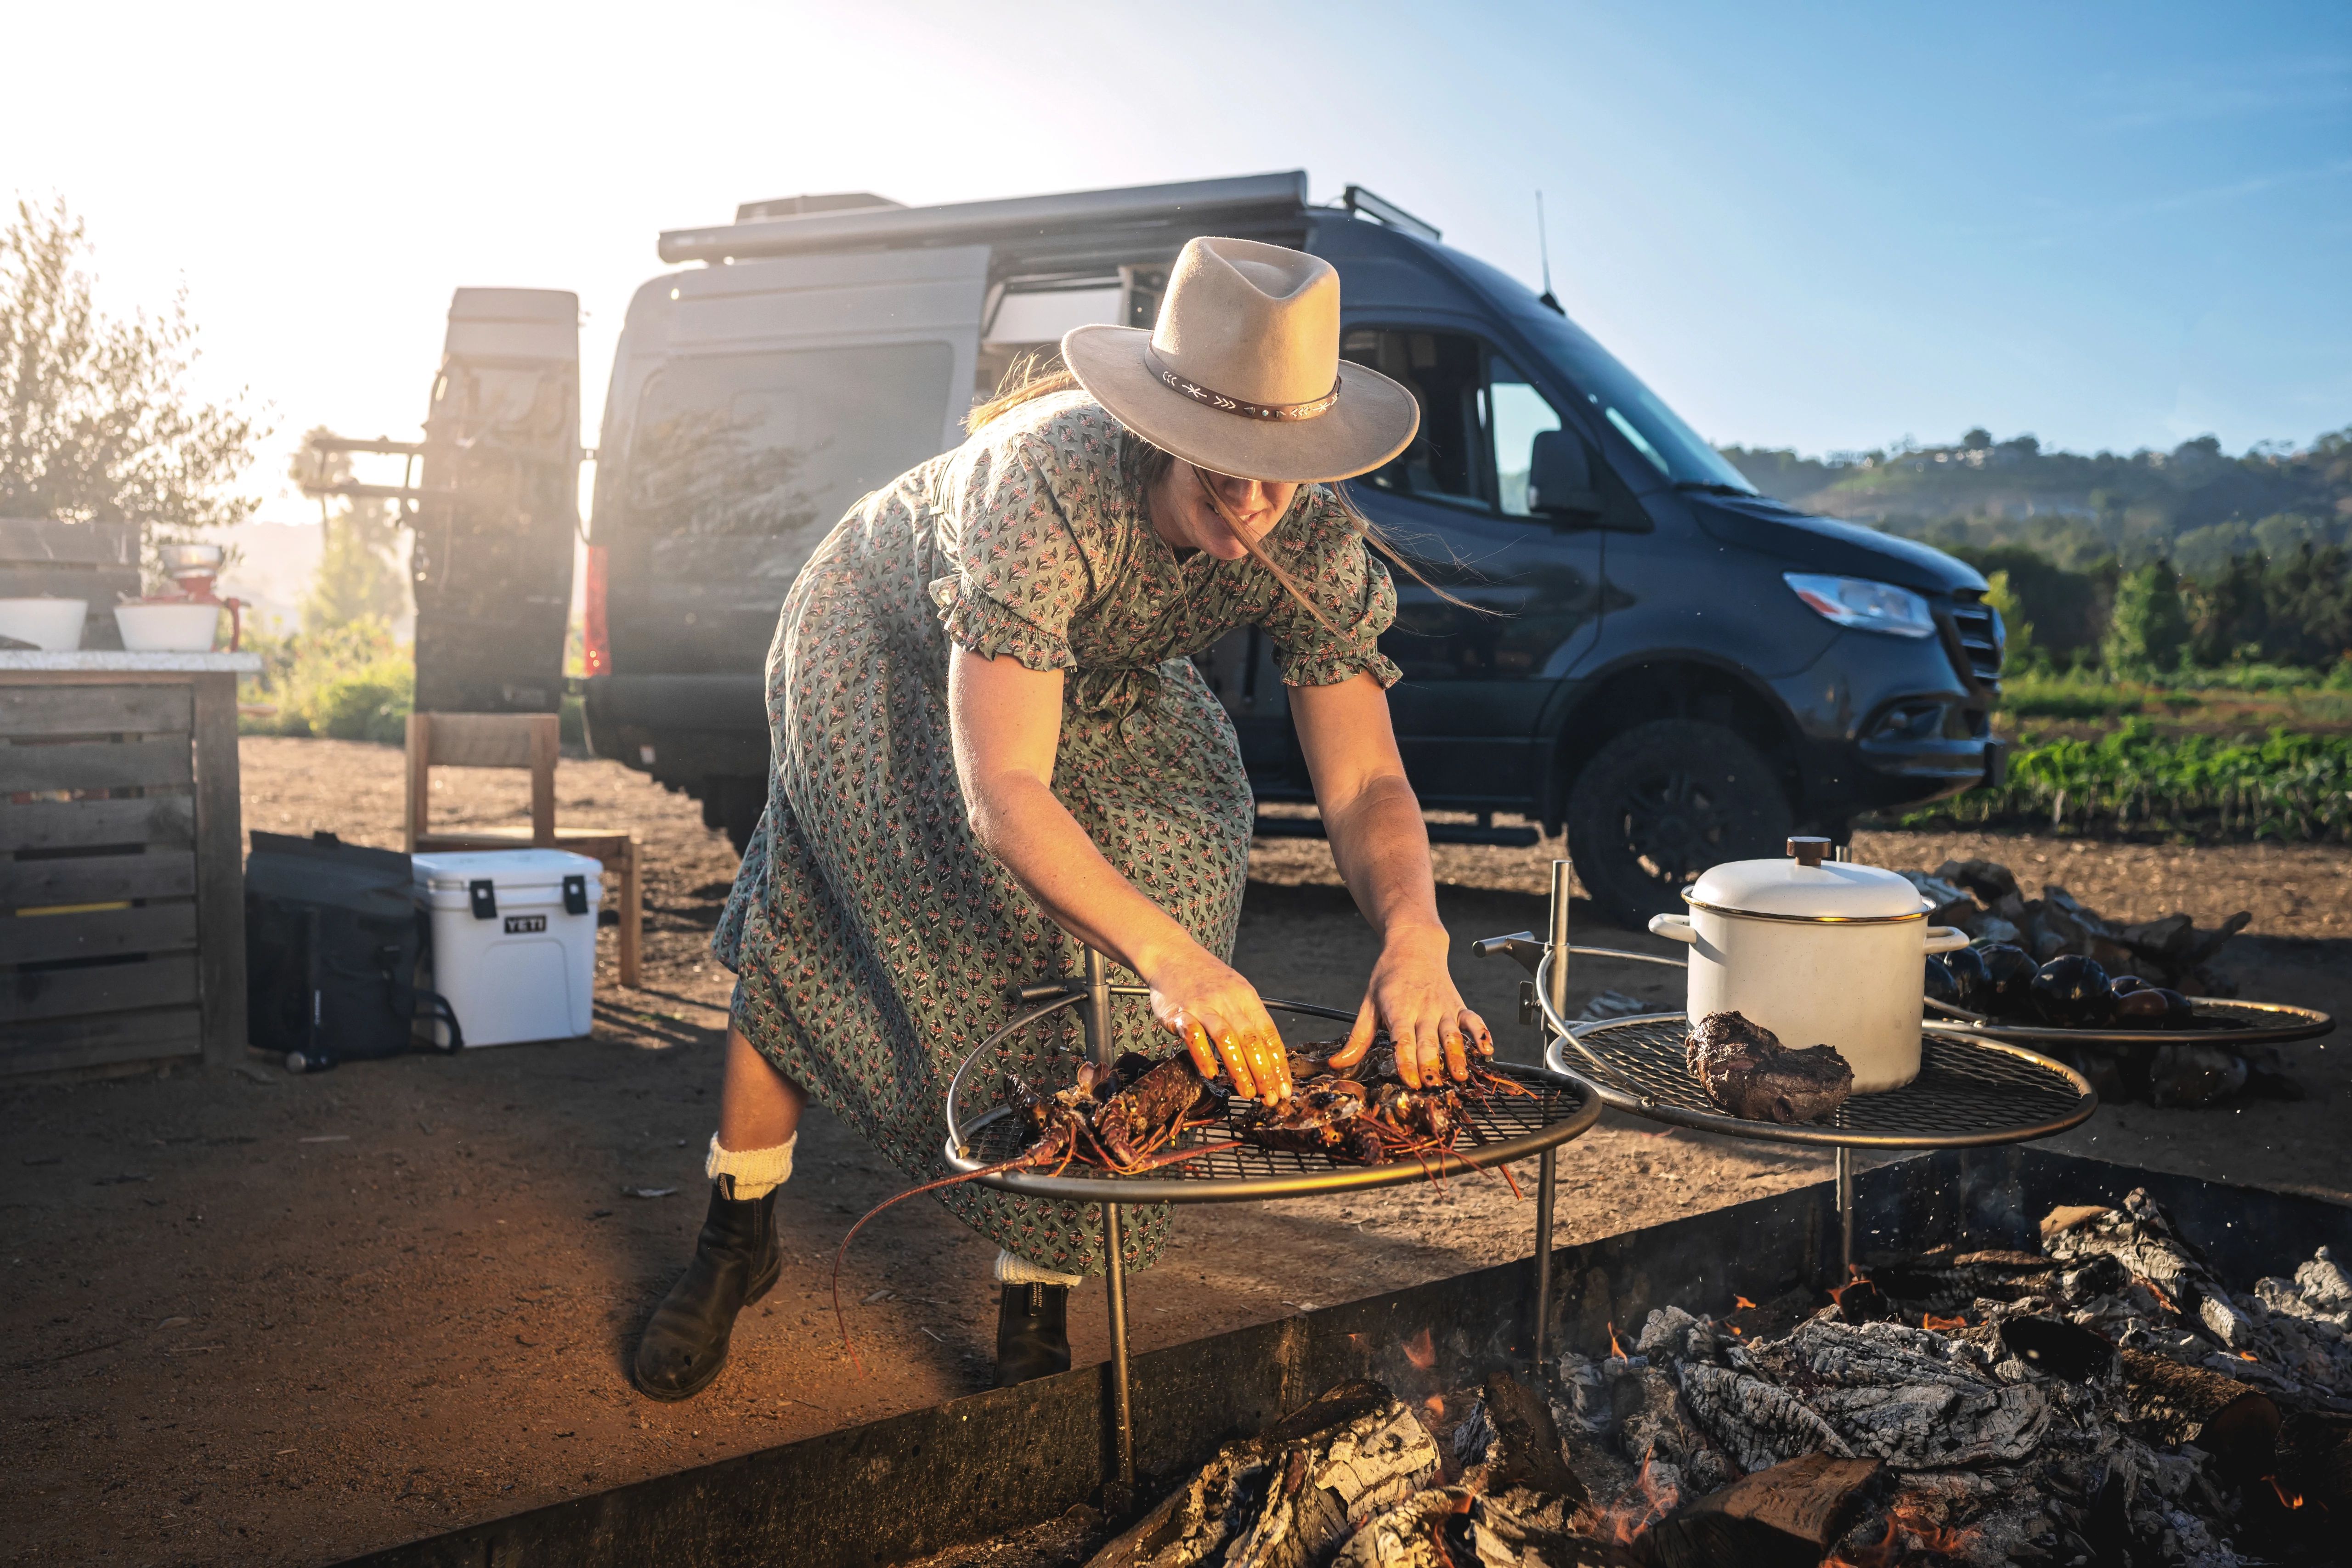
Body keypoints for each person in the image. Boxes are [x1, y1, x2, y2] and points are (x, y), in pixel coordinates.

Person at [632, 236, 1493, 1401]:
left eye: (1277, 470)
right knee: (841, 920)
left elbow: (1363, 785)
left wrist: (1415, 934)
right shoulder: (1040, 485)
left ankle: (1039, 1280)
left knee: (1147, 915)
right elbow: (1006, 795)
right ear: (1163, 428)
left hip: (1096, 671)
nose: (1252, 504)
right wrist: (1175, 964)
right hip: (883, 647)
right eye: (1221, 466)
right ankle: (736, 1232)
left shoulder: (1310, 531)